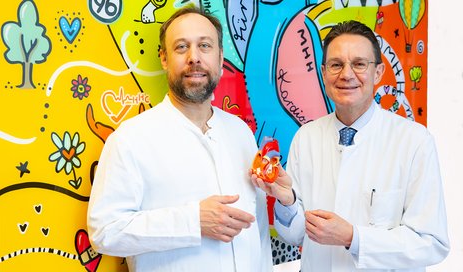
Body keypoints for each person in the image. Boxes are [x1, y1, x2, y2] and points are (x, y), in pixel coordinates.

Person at [252, 20, 450, 271]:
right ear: (323, 73)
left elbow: (431, 243)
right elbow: (296, 236)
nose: (346, 74)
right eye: (336, 65)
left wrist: (353, 237)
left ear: (377, 72)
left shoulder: (414, 141)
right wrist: (287, 201)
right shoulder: (307, 137)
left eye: (359, 64)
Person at [87, 7, 272, 272]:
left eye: (205, 46)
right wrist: (192, 221)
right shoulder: (130, 139)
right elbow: (105, 231)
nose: (194, 58)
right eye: (181, 47)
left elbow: (259, 231)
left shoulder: (240, 132)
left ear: (220, 58)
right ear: (164, 58)